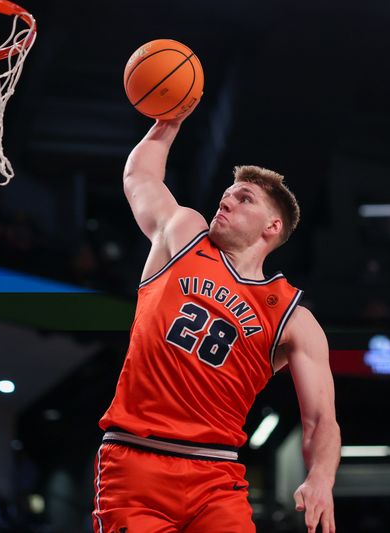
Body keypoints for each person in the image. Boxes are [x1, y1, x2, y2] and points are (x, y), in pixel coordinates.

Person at [93, 115, 340, 533]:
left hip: (215, 475)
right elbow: (139, 175)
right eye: (226, 195)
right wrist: (167, 123)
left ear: (272, 227)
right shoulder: (184, 235)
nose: (225, 202)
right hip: (136, 462)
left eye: (243, 199)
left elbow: (321, 419)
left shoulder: (293, 318)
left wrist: (321, 477)